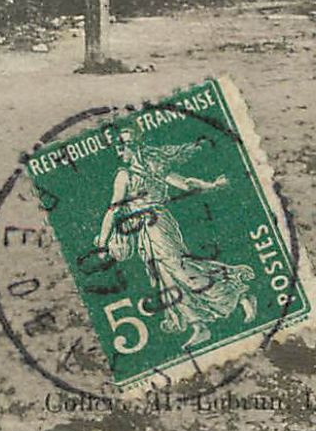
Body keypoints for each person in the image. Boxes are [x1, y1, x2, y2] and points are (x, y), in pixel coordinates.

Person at [93, 131, 258, 349]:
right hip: (148, 228)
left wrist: (212, 186)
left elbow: (184, 184)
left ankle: (239, 293)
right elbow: (185, 184)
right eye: (117, 146)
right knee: (165, 278)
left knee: (180, 269)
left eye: (123, 145)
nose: (119, 150)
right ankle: (199, 326)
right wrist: (211, 185)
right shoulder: (136, 171)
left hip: (157, 224)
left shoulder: (138, 171)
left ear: (135, 146)